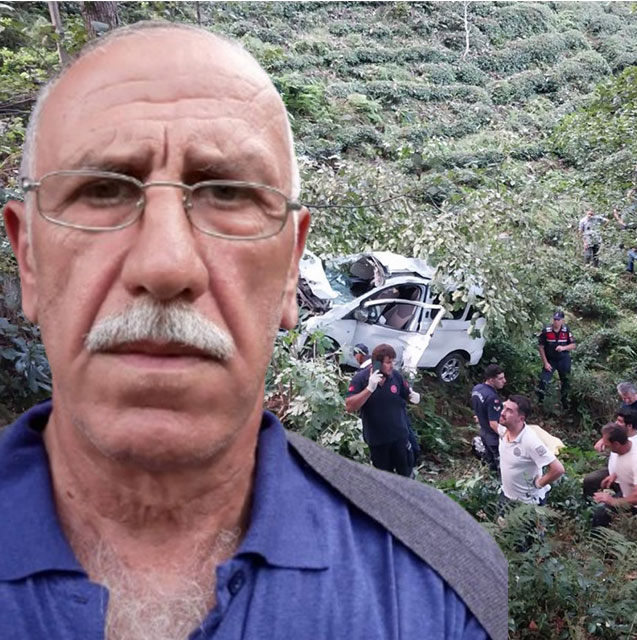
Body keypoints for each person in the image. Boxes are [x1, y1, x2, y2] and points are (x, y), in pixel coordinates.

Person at [0, 22, 502, 638]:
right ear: (28, 258)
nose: (166, 265)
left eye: (228, 194)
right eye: (103, 191)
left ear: (292, 266)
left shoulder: (439, 583)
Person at [346, 344, 421, 477]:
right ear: (377, 363)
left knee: (406, 474)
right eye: (388, 362)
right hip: (377, 441)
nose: (391, 366)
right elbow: (349, 407)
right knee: (384, 479)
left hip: (399, 436)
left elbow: (406, 393)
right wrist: (369, 389)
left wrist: (413, 396)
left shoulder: (396, 376)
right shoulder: (360, 379)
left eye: (393, 361)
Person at [496, 395, 565, 507]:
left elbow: (558, 469)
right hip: (507, 495)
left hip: (527, 503)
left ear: (521, 418)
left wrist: (539, 484)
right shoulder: (503, 430)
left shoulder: (530, 441)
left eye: (509, 411)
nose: (502, 413)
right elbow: (492, 424)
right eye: (503, 408)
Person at [536, 311, 575, 411]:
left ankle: (565, 404)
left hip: (563, 359)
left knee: (566, 381)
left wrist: (563, 348)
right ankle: (541, 404)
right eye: (554, 319)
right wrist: (545, 363)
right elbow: (541, 347)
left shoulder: (566, 330)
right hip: (550, 360)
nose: (556, 322)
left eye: (558, 320)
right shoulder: (547, 330)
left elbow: (573, 345)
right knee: (543, 381)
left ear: (562, 320)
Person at [471, 364, 506, 473]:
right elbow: (493, 423)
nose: (504, 381)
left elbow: (479, 408)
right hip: (493, 436)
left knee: (490, 462)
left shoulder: (477, 389)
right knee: (501, 464)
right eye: (500, 379)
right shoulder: (492, 398)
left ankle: (491, 480)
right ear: (491, 380)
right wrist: (506, 436)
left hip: (483, 431)